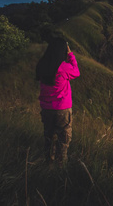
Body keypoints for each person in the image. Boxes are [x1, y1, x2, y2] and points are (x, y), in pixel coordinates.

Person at [36, 38, 80, 166]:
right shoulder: (63, 67)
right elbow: (76, 71)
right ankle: (61, 166)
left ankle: (48, 164)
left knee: (49, 137)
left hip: (46, 108)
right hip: (62, 109)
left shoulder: (42, 65)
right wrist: (70, 54)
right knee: (63, 139)